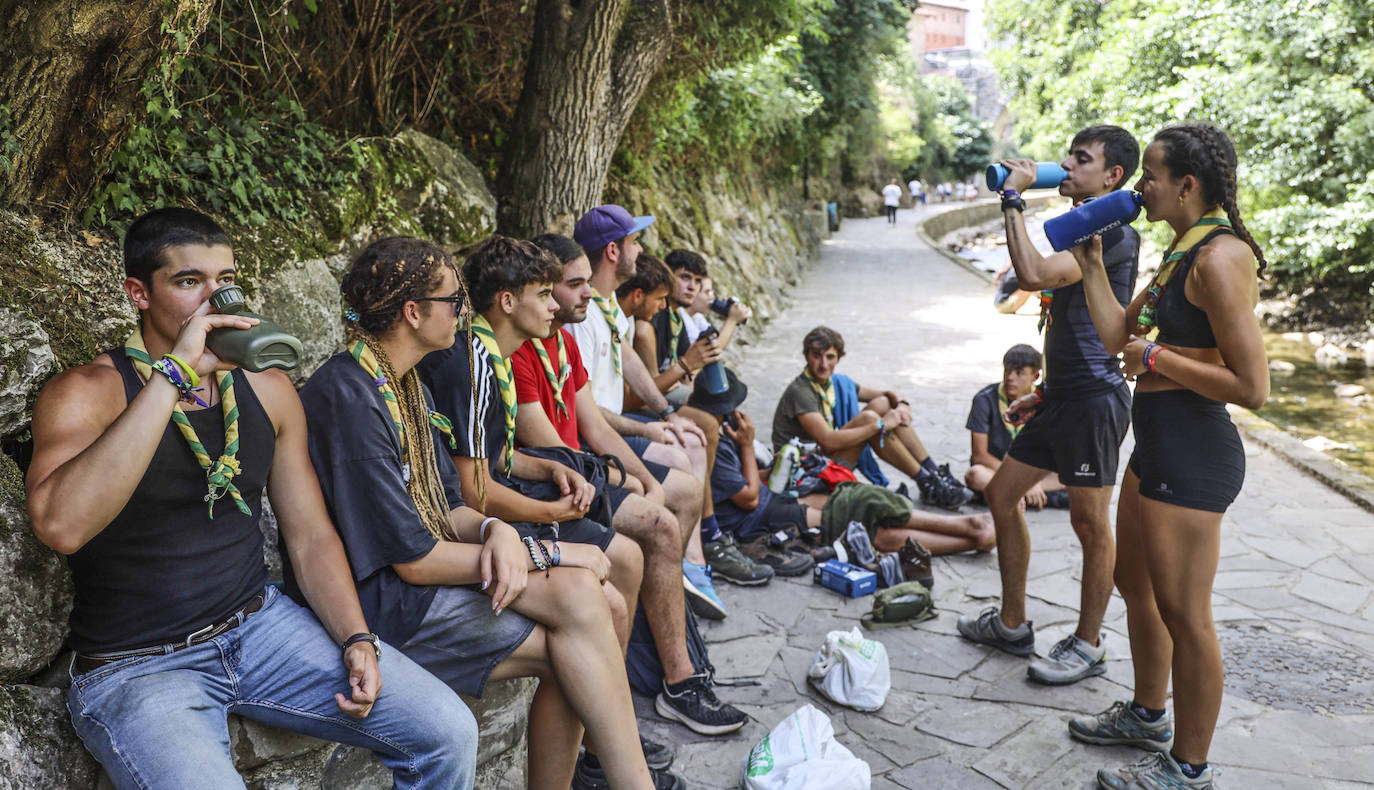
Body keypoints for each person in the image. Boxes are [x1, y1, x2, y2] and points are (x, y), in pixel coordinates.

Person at [25, 208, 474, 789]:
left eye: (226, 281)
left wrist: (356, 637)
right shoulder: (87, 393)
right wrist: (172, 376)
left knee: (448, 731)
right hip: (137, 668)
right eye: (190, 283)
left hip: (260, 629)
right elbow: (61, 526)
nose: (215, 299)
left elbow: (310, 535)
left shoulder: (267, 388)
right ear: (139, 294)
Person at [301, 235, 670, 790]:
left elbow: (451, 505)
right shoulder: (349, 394)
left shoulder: (405, 382)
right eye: (454, 301)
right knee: (579, 605)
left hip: (425, 578)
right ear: (413, 312)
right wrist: (547, 548)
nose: (464, 311)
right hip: (384, 604)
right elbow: (413, 562)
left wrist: (497, 529)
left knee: (582, 611)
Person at [1068, 123, 1268, 790]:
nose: (1140, 185)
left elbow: (1254, 387)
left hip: (1194, 450)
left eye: (1150, 175)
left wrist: (1155, 358)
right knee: (1135, 585)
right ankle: (1149, 714)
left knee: (1187, 615)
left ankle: (1189, 767)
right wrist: (1093, 263)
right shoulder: (1182, 249)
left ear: (1186, 186)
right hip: (1153, 439)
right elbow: (1115, 334)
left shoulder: (1219, 259)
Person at [514, 232, 751, 738]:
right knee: (659, 526)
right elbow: (553, 448)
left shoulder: (559, 336)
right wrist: (629, 476)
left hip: (580, 469)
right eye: (573, 285)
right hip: (556, 483)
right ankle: (677, 680)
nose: (587, 294)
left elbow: (594, 425)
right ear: (541, 289)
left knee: (674, 493)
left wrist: (643, 476)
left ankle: (678, 611)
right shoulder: (519, 348)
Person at [956, 125, 1141, 688]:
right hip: (1063, 396)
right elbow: (1050, 300)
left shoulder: (1111, 233)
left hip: (1095, 401)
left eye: (1080, 160)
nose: (1067, 165)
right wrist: (1045, 388)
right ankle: (1012, 624)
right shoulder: (1083, 228)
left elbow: (1034, 274)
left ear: (1111, 177)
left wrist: (1013, 196)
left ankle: (1088, 643)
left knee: (1089, 523)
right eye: (1068, 157)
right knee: (1001, 491)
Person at [569, 206, 770, 602]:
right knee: (681, 456)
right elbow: (587, 409)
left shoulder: (607, 306)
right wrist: (650, 425)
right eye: (634, 242)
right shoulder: (586, 315)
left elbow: (626, 357)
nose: (640, 250)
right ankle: (686, 562)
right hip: (597, 435)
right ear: (613, 251)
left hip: (615, 421)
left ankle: (692, 561)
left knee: (690, 435)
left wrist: (666, 414)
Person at [695, 371, 994, 571]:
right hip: (760, 515)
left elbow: (750, 482)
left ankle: (969, 526)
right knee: (864, 528)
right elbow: (747, 499)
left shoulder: (722, 434)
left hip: (771, 500)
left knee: (858, 503)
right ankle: (970, 534)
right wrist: (747, 446)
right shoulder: (714, 444)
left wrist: (773, 470)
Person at [771, 326, 973, 510]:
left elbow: (887, 395)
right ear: (806, 357)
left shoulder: (835, 383)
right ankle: (926, 482)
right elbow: (827, 441)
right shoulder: (800, 391)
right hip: (806, 469)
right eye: (817, 356)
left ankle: (933, 473)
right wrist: (880, 424)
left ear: (839, 358)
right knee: (871, 420)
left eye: (830, 357)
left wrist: (903, 405)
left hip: (823, 455)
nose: (824, 364)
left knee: (884, 404)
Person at [964, 343, 1068, 509]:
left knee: (1075, 476)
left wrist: (1032, 483)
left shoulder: (1047, 401)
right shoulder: (984, 400)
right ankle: (1028, 496)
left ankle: (1014, 495)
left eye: (1019, 373)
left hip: (1036, 476)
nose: (1010, 378)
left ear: (1035, 377)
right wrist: (1020, 481)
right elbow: (980, 455)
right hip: (997, 471)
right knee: (975, 475)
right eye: (1007, 370)